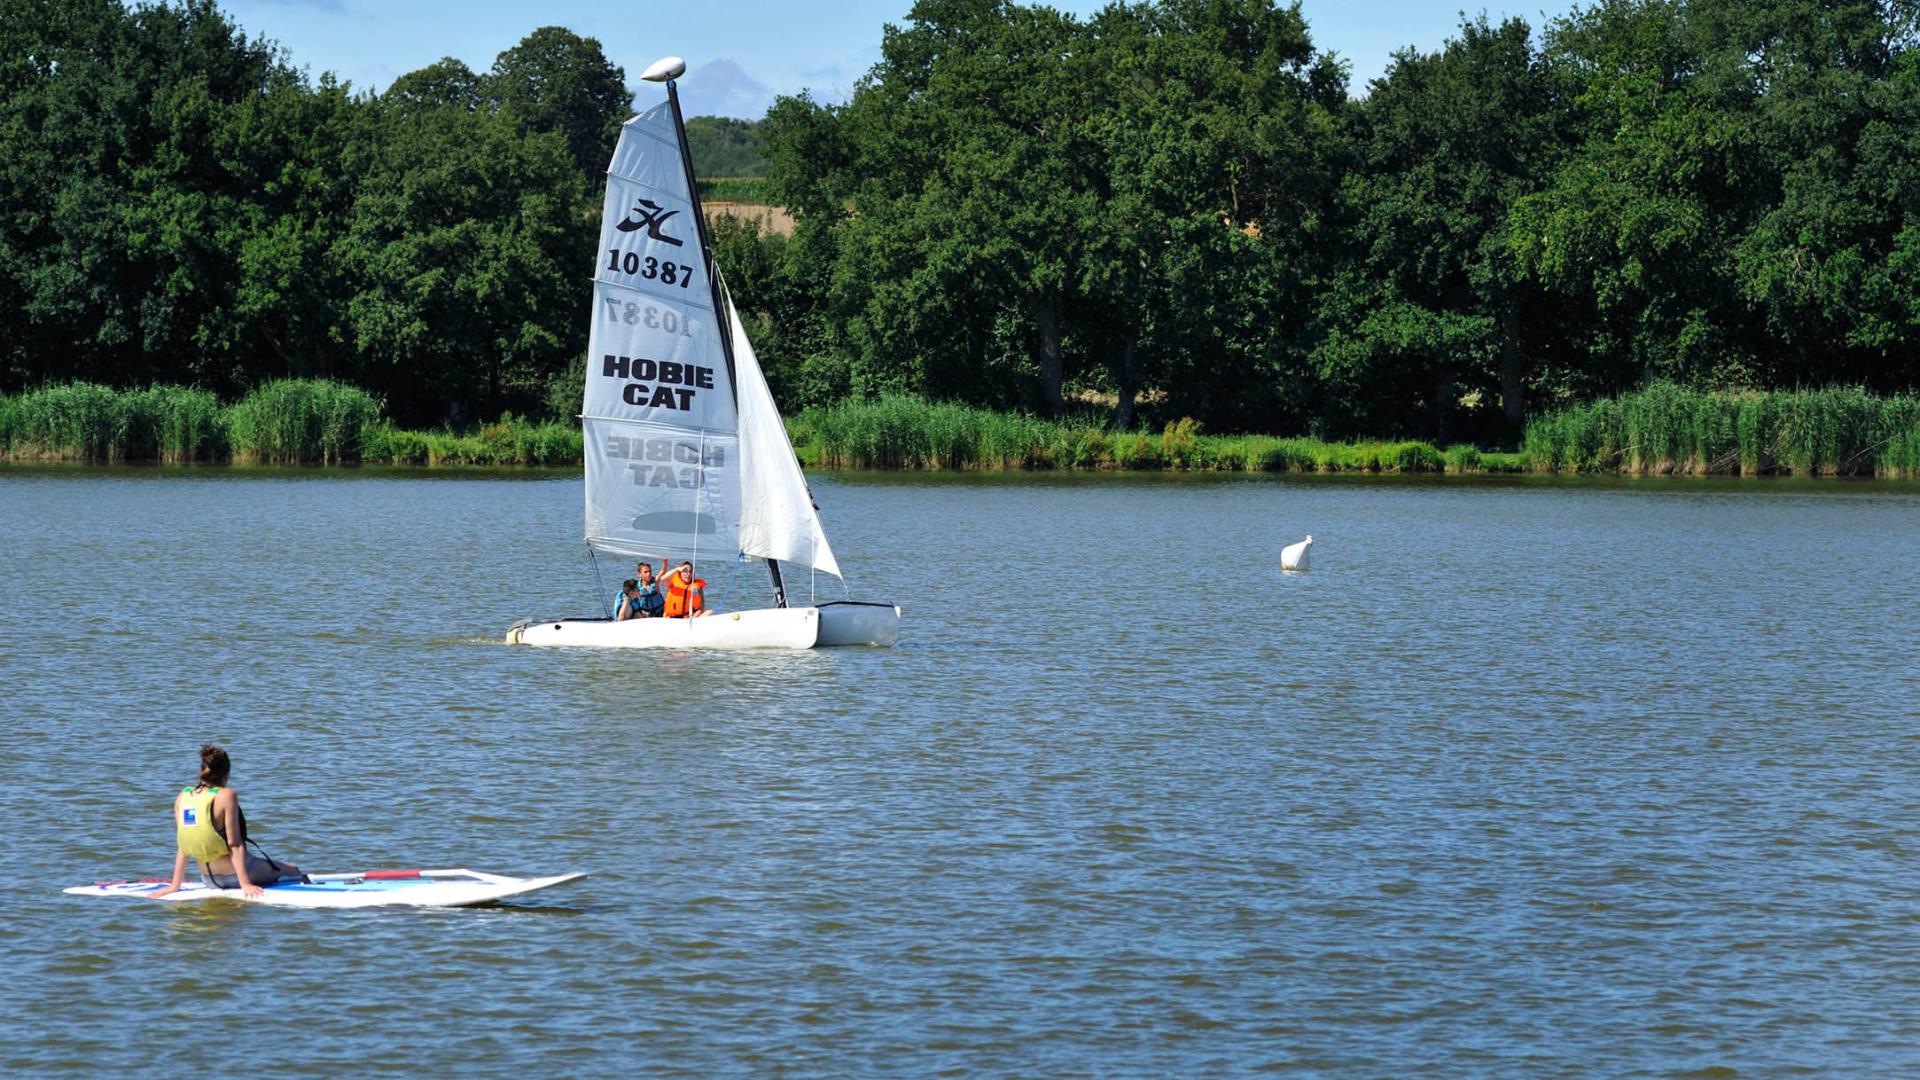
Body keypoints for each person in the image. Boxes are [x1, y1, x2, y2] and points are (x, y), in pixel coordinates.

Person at [150, 744, 302, 899]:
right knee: (292, 870)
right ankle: (289, 873)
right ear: (226, 774)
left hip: (208, 879)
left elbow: (185, 844)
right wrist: (245, 885)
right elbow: (234, 844)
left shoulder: (184, 795)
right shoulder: (226, 795)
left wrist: (175, 885)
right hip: (236, 875)